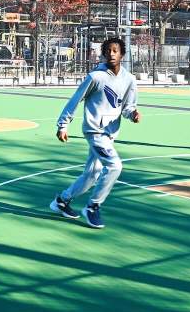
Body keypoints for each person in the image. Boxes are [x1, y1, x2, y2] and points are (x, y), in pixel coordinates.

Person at [50, 37, 140, 229]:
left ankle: (62, 201)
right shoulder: (95, 77)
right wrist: (62, 124)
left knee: (92, 174)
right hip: (95, 131)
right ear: (103, 54)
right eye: (108, 51)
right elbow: (75, 99)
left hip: (110, 134)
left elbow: (126, 107)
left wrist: (132, 114)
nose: (111, 54)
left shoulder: (129, 80)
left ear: (122, 54)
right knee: (115, 166)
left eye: (115, 50)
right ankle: (93, 206)